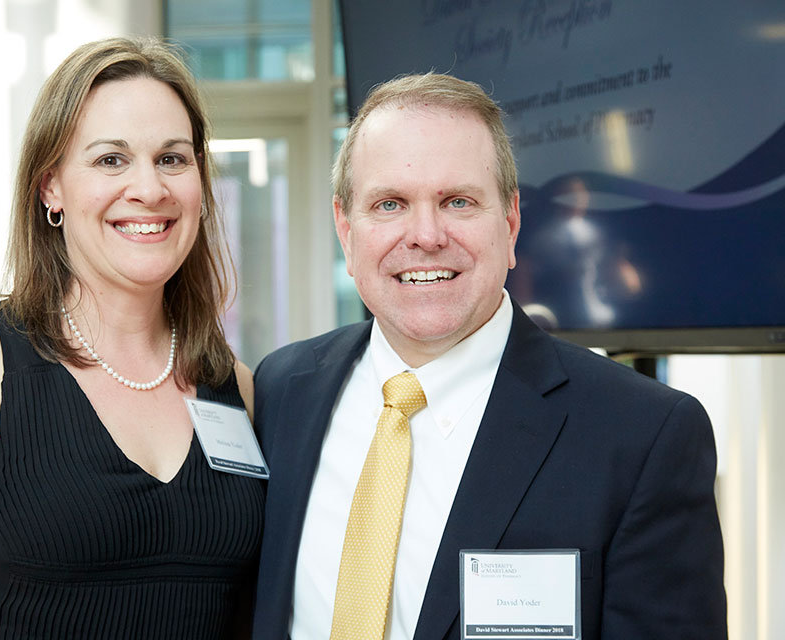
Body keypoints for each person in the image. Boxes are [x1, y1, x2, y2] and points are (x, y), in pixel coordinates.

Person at [251, 73, 726, 639]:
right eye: (389, 204)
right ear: (345, 229)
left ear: (511, 221)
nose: (425, 235)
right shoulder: (283, 391)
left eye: (458, 201)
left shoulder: (644, 436)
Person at [0, 37, 264, 638]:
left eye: (173, 159)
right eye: (111, 160)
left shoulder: (236, 388)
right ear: (51, 187)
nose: (149, 188)